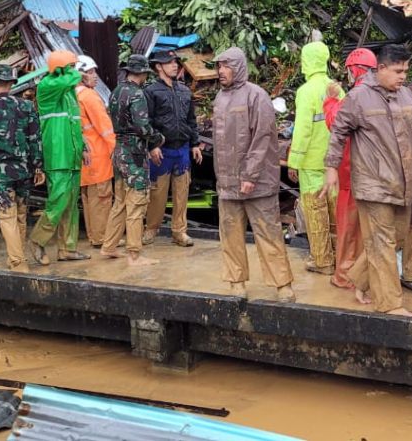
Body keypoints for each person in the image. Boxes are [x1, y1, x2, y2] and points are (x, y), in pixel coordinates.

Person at [322, 44, 412, 316]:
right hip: (373, 183)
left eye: (406, 71)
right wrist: (331, 168)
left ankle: (359, 278)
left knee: (395, 238)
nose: (403, 77)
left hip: (403, 182)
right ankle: (390, 304)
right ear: (381, 68)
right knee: (382, 243)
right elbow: (338, 132)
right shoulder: (358, 97)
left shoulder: (407, 96)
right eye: (398, 71)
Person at [212, 47, 296, 302]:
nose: (220, 71)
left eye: (225, 66)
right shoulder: (220, 99)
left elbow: (263, 139)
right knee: (230, 234)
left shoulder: (256, 96)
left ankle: (282, 284)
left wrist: (249, 176)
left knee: (268, 232)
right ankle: (236, 281)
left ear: (237, 67)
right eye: (219, 67)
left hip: (257, 183)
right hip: (227, 182)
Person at [0, 63, 44, 272]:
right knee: (21, 213)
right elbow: (35, 139)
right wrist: (39, 167)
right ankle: (20, 256)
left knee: (6, 216)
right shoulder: (27, 106)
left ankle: (17, 261)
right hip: (23, 169)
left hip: (0, 171)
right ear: (12, 83)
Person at [101, 54, 163, 267]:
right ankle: (134, 254)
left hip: (118, 151)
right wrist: (157, 139)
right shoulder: (137, 94)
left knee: (119, 201)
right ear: (143, 73)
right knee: (137, 203)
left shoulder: (116, 92)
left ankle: (109, 246)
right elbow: (142, 126)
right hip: (134, 153)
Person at [29, 50, 89, 265]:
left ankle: (67, 248)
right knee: (59, 201)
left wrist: (82, 147)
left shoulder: (69, 94)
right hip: (57, 155)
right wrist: (76, 71)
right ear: (62, 68)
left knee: (71, 204)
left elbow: (74, 124)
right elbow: (74, 77)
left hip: (71, 155)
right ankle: (37, 240)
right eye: (71, 65)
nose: (76, 70)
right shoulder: (47, 86)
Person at [323, 48, 376, 289]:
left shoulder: (355, 96)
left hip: (351, 173)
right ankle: (368, 275)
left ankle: (345, 275)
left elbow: (337, 123)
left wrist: (330, 100)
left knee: (348, 228)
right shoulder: (385, 94)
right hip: (375, 173)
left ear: (354, 70)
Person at [288, 41, 340, 275]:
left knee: (315, 211)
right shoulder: (336, 89)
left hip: (311, 163)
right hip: (334, 164)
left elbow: (302, 130)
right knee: (335, 212)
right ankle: (340, 259)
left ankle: (322, 261)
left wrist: (294, 162)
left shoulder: (305, 91)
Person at [144, 49, 203, 247]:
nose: (175, 65)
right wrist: (152, 145)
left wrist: (194, 144)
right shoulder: (151, 91)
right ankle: (151, 228)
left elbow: (191, 120)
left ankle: (180, 231)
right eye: (169, 62)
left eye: (175, 62)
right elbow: (147, 121)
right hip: (162, 150)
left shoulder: (184, 91)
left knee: (182, 192)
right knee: (157, 193)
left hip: (182, 150)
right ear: (158, 66)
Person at [74, 55, 116, 248]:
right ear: (81, 74)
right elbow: (104, 126)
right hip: (98, 155)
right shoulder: (89, 96)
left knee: (89, 199)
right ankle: (102, 237)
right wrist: (116, 148)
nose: (95, 76)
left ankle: (94, 236)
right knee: (102, 198)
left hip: (85, 157)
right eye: (91, 72)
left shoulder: (72, 95)